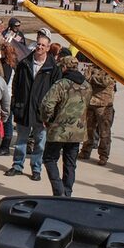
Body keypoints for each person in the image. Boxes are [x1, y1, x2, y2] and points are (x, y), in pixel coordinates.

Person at [5, 34, 62, 181]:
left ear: (48, 48)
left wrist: (51, 113)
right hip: (24, 109)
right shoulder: (24, 64)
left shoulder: (53, 68)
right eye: (38, 44)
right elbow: (16, 85)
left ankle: (36, 168)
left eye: (43, 45)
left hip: (42, 113)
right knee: (21, 141)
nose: (40, 47)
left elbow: (57, 92)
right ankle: (17, 165)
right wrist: (15, 104)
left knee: (40, 143)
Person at [40, 56, 92, 197]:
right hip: (77, 131)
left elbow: (47, 104)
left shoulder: (61, 84)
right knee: (70, 163)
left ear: (64, 67)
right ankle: (67, 193)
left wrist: (47, 119)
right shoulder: (87, 85)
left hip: (59, 130)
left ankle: (59, 192)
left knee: (49, 159)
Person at [79, 63, 116, 166]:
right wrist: (92, 78)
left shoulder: (111, 69)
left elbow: (104, 81)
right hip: (91, 102)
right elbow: (85, 78)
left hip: (104, 105)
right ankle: (85, 151)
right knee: (88, 130)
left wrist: (92, 77)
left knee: (104, 132)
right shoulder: (92, 67)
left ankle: (103, 155)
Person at [0, 40, 17, 156]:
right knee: (7, 120)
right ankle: (4, 145)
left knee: (7, 121)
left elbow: (4, 81)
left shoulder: (6, 65)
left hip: (7, 97)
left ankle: (5, 146)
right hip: (9, 96)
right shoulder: (12, 63)